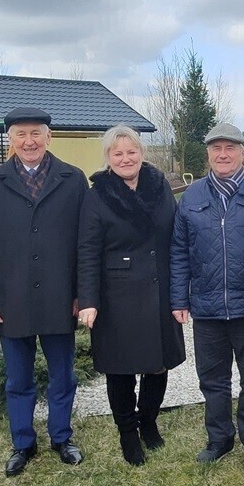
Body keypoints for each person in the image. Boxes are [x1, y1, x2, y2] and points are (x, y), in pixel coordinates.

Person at [0, 107, 87, 477]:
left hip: (60, 296)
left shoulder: (72, 180)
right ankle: (22, 442)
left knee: (62, 375)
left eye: (36, 133)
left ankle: (61, 437)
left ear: (49, 137)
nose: (29, 141)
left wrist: (83, 295)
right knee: (18, 379)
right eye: (21, 134)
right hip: (11, 299)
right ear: (10, 140)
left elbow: (86, 245)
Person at [78, 125, 185, 466]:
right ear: (108, 158)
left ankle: (148, 421)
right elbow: (87, 250)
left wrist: (181, 291)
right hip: (117, 295)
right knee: (120, 369)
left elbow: (175, 238)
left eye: (131, 151)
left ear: (142, 152)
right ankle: (127, 432)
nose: (126, 159)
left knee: (158, 365)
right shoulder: (98, 195)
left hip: (160, 288)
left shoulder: (160, 187)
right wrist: (89, 300)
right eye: (117, 153)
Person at [171, 123, 244, 472]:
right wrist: (178, 299)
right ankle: (219, 439)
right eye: (217, 149)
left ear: (243, 152)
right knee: (212, 380)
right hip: (208, 307)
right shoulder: (192, 197)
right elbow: (179, 251)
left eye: (231, 148)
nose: (223, 155)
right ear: (208, 154)